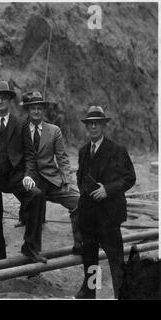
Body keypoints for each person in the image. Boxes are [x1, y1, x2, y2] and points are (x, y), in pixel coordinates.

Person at [0, 81, 46, 263]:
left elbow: (30, 153)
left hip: (15, 176)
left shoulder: (20, 123)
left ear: (9, 101)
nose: (0, 101)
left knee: (36, 196)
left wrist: (29, 175)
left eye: (3, 98)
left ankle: (30, 248)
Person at [75, 106, 136, 299]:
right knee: (90, 257)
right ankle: (90, 291)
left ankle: (121, 294)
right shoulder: (84, 151)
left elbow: (129, 178)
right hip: (89, 216)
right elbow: (80, 177)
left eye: (97, 123)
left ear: (103, 126)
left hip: (109, 216)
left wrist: (106, 190)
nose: (93, 127)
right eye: (90, 123)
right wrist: (89, 191)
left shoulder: (117, 150)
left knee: (116, 260)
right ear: (86, 126)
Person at [20, 90, 82, 254]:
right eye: (33, 108)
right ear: (28, 110)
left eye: (39, 108)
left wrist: (68, 180)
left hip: (52, 180)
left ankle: (80, 245)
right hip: (29, 180)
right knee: (34, 212)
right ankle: (33, 254)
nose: (36, 111)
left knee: (78, 202)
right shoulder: (20, 129)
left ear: (44, 110)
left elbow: (62, 158)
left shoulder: (54, 130)